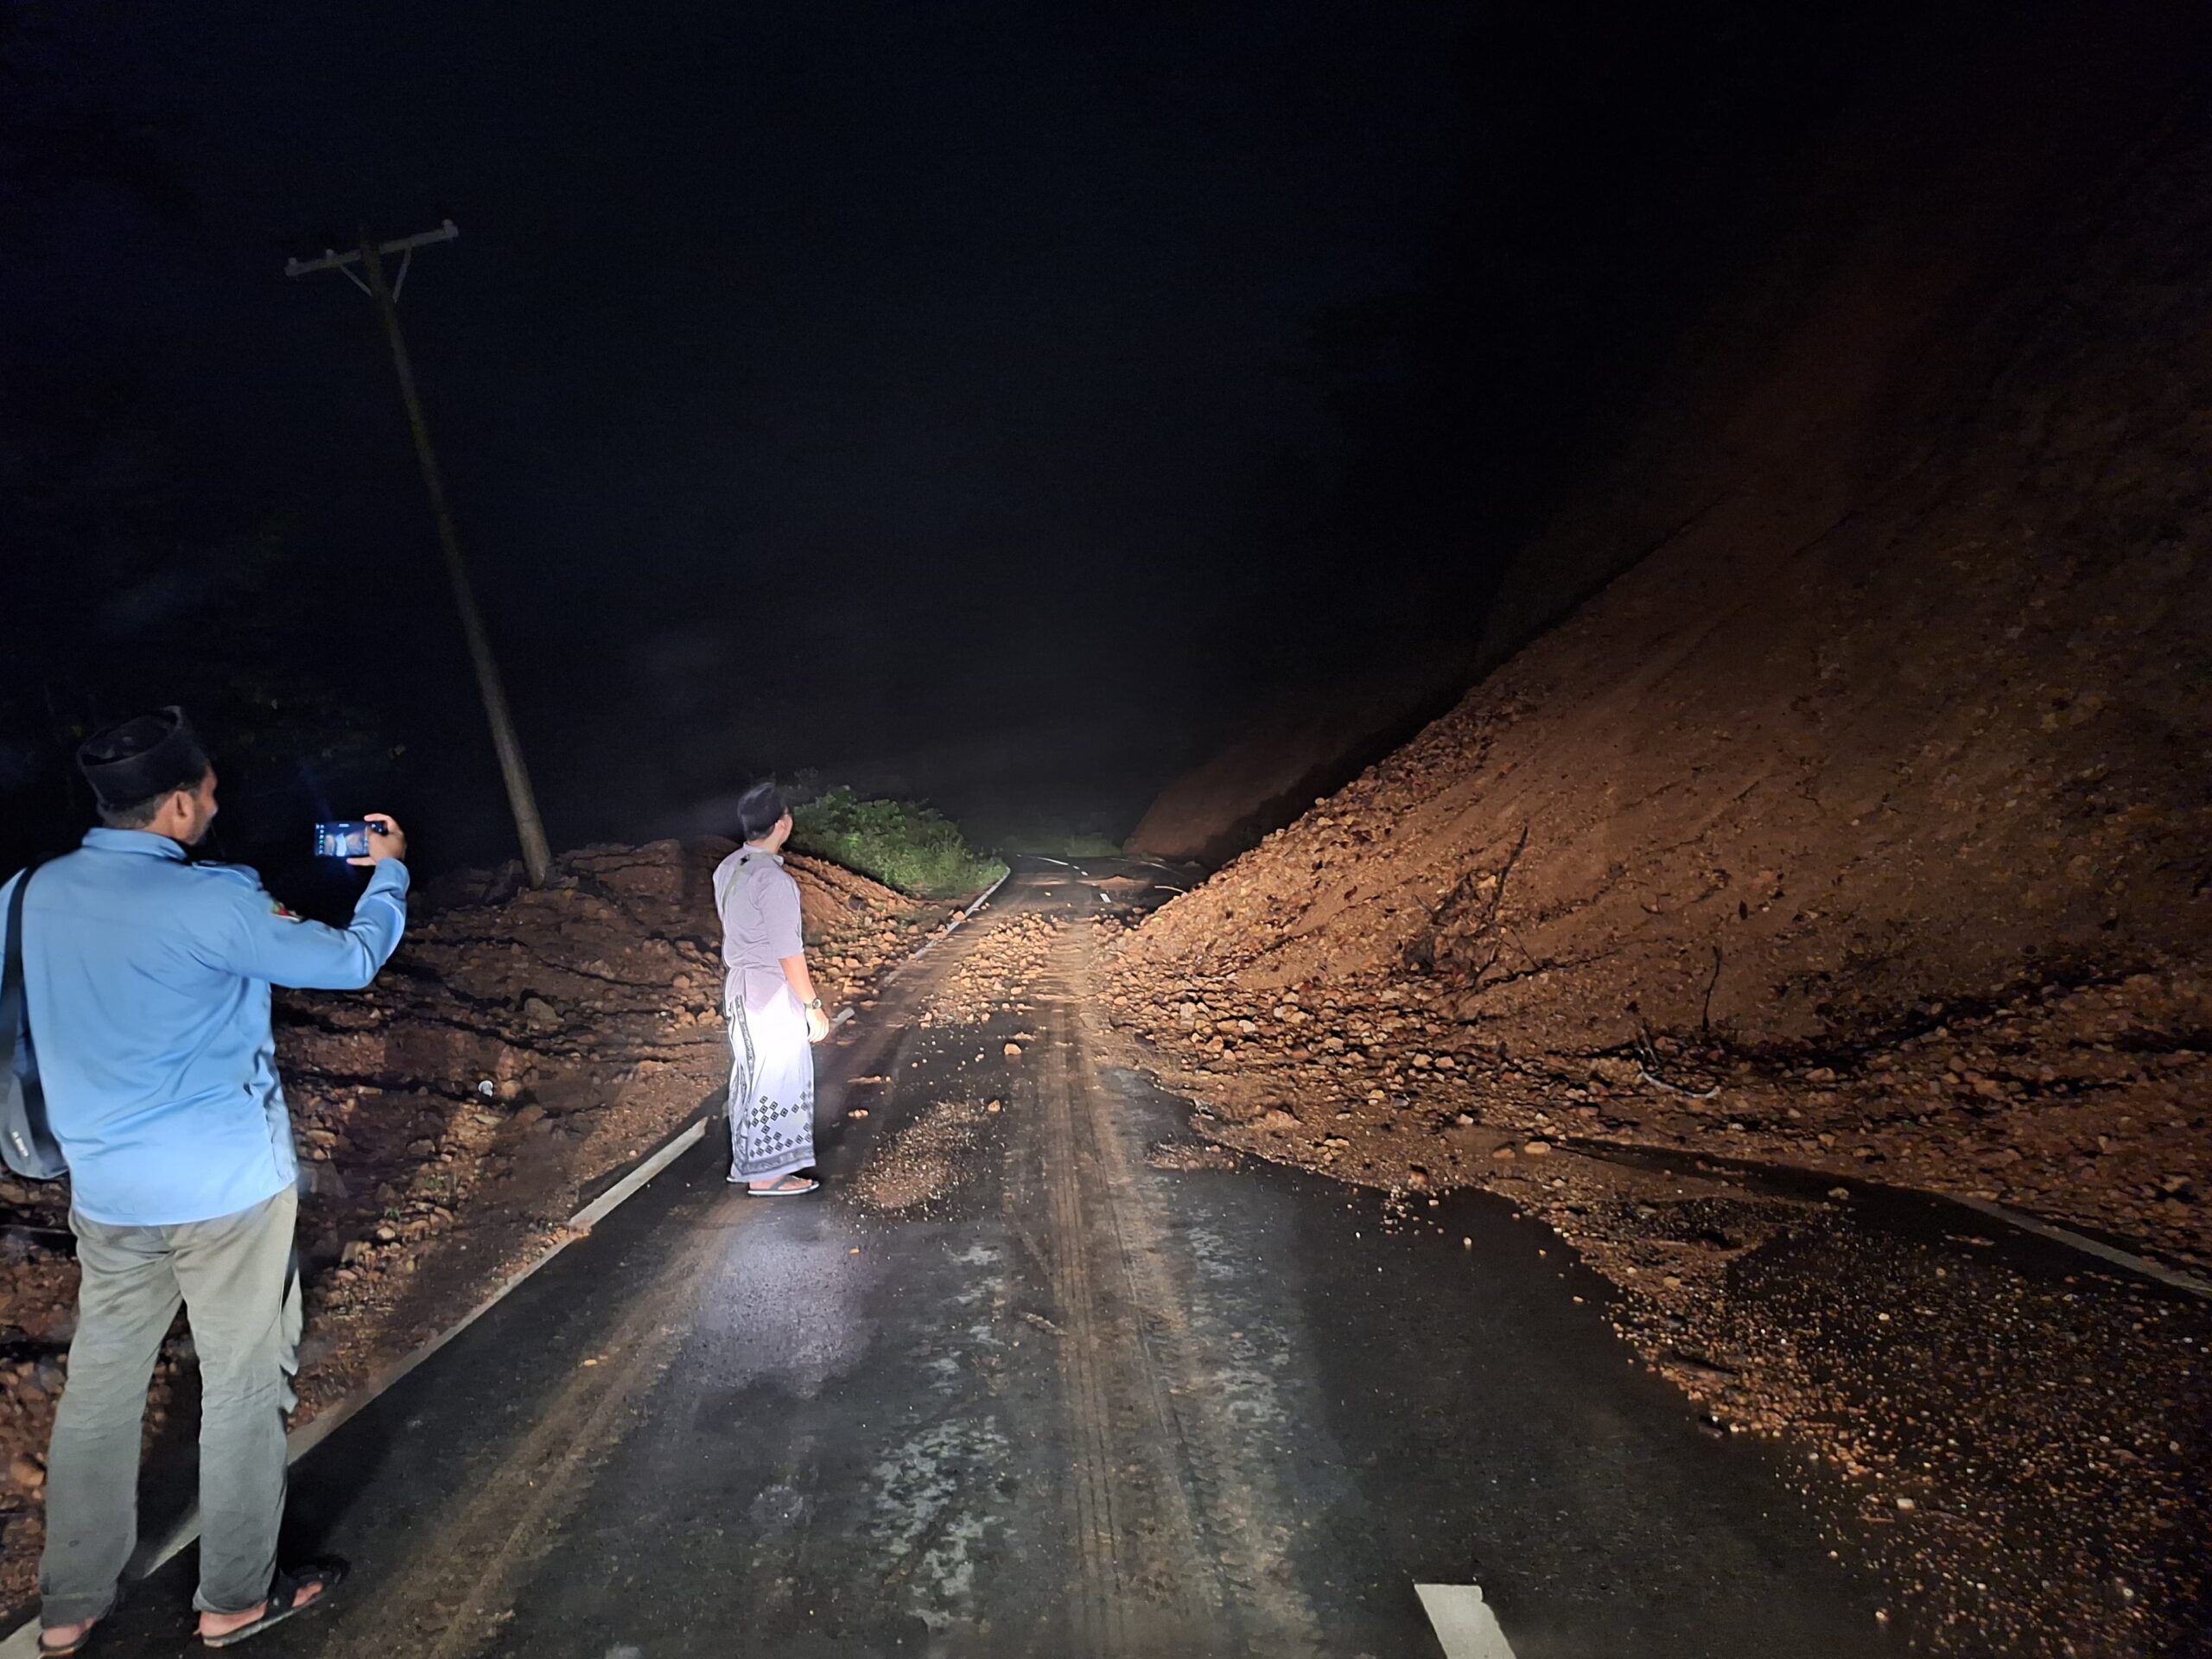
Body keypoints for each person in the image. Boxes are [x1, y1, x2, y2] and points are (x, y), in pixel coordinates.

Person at [2, 709, 410, 1654]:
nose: (216, 806)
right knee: (241, 1383)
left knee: (100, 1389)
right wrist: (387, 872)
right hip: (225, 1188)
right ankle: (232, 1594)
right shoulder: (216, 898)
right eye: (211, 793)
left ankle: (68, 1607)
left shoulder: (25, 895)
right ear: (180, 802)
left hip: (106, 1192)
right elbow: (349, 963)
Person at [712, 783, 830, 1197]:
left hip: (742, 988)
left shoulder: (729, 868)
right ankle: (765, 1173)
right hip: (770, 993)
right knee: (775, 1077)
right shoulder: (773, 879)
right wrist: (812, 1006)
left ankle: (756, 1165)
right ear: (783, 823)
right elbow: (788, 951)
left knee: (752, 1075)